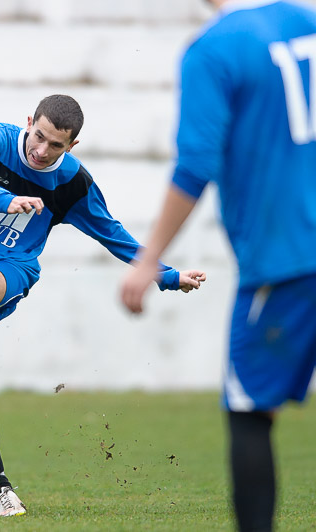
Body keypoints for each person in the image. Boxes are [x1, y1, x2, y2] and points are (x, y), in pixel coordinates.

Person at [0, 94, 206, 517]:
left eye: (55, 146)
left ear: (71, 147)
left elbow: (111, 233)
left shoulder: (73, 183)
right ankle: (2, 489)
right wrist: (4, 200)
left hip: (13, 264)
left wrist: (168, 276)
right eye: (38, 137)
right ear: (29, 121)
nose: (41, 151)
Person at [120, 1, 316, 530]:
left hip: (288, 263)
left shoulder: (214, 49)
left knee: (249, 409)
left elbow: (196, 162)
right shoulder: (305, 22)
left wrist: (148, 259)